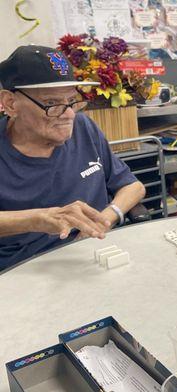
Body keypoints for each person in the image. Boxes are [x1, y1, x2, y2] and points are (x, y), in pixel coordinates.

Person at [0, 45, 145, 270]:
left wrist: (104, 219)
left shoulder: (84, 127)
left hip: (92, 256)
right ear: (10, 103)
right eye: (52, 104)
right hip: (23, 268)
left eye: (71, 101)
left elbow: (133, 186)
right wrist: (38, 219)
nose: (69, 114)